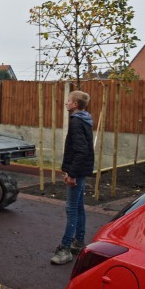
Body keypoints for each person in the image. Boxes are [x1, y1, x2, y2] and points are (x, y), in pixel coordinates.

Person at [51, 90, 94, 265]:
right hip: (82, 170)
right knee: (79, 207)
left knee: (71, 209)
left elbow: (81, 151)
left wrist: (72, 173)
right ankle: (78, 242)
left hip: (77, 171)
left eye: (68, 100)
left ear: (75, 105)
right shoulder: (85, 119)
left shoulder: (77, 122)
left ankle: (66, 248)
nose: (66, 103)